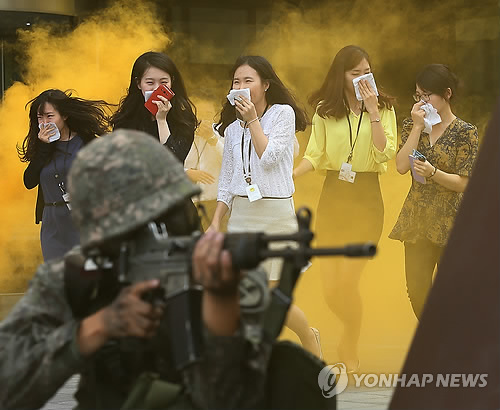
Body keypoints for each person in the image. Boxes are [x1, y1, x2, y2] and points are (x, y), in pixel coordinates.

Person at [0, 129, 272, 409]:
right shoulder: (75, 279)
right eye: (135, 228)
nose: (156, 235)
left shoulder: (222, 276)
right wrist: (95, 329)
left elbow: (250, 390)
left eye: (169, 216)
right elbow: (8, 380)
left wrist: (220, 310)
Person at [208, 55, 322, 359]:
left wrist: (253, 120)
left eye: (249, 80)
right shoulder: (232, 130)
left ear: (266, 85)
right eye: (236, 82)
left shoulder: (282, 114)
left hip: (275, 215)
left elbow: (268, 158)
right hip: (241, 216)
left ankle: (307, 336)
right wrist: (216, 220)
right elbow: (227, 178)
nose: (241, 87)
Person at [293, 45, 397, 371]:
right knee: (329, 288)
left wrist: (373, 110)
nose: (363, 78)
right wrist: (289, 176)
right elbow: (315, 155)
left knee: (348, 282)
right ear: (341, 75)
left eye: (367, 71)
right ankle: (345, 331)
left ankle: (350, 341)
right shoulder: (325, 110)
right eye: (355, 73)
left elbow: (385, 152)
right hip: (334, 195)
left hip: (367, 196)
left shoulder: (385, 108)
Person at [389, 64, 479, 320]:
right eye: (418, 95)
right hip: (416, 218)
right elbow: (401, 166)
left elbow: (464, 183)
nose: (422, 102)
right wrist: (418, 127)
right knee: (417, 291)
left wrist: (433, 173)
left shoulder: (465, 132)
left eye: (428, 95)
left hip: (451, 221)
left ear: (447, 94)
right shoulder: (411, 125)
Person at [17, 89, 110, 261]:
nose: (44, 123)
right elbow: (29, 181)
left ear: (64, 115)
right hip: (52, 222)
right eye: (40, 118)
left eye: (49, 116)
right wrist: (43, 148)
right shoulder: (41, 147)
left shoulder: (86, 142)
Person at [111, 51, 198, 163]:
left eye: (164, 82)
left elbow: (173, 161)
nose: (156, 88)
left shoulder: (183, 118)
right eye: (150, 83)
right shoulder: (127, 118)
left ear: (172, 82)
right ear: (138, 84)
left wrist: (161, 120)